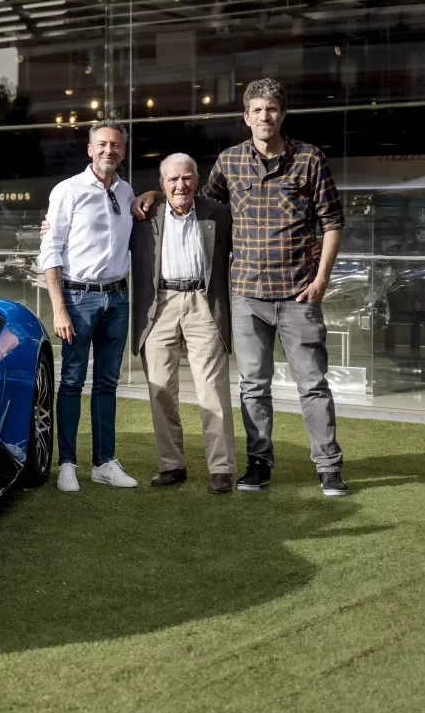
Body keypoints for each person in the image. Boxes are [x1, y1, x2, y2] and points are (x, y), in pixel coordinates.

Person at [134, 78, 349, 497]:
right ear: (246, 117)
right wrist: (155, 193)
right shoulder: (230, 162)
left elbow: (332, 221)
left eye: (272, 109)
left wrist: (322, 278)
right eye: (257, 110)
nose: (265, 116)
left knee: (312, 384)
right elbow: (195, 202)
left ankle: (328, 466)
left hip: (298, 294)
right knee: (253, 387)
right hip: (247, 296)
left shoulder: (310, 158)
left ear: (282, 115)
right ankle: (259, 464)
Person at [39, 120, 138, 493]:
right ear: (90, 149)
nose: (109, 150)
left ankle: (103, 463)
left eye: (116, 145)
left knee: (107, 383)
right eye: (102, 144)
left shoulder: (127, 192)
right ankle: (67, 464)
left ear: (123, 151)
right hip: (78, 298)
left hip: (118, 297)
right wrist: (58, 308)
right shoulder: (68, 190)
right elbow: (50, 249)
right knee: (71, 382)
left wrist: (153, 195)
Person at [129, 153, 235, 494]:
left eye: (187, 177)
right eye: (173, 179)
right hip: (159, 305)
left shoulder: (218, 213)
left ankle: (221, 468)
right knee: (160, 388)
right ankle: (171, 465)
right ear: (161, 184)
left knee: (212, 388)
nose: (180, 185)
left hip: (204, 302)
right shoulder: (143, 216)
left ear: (197, 180)